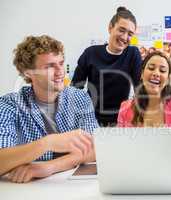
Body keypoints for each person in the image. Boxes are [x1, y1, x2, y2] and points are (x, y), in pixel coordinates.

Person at [0, 35, 99, 183]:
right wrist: (47, 143)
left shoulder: (80, 98)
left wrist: (49, 167)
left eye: (61, 63)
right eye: (50, 66)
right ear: (28, 72)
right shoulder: (9, 105)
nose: (60, 72)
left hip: (70, 186)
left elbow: (95, 149)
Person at [71, 7, 142, 126]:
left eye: (130, 34)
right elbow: (75, 89)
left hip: (121, 119)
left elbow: (139, 88)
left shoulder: (133, 54)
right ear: (110, 28)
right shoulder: (90, 53)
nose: (125, 37)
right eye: (121, 30)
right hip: (91, 118)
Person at [118, 51, 171, 127]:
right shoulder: (125, 109)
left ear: (168, 79)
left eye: (162, 70)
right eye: (151, 68)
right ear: (142, 74)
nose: (156, 73)